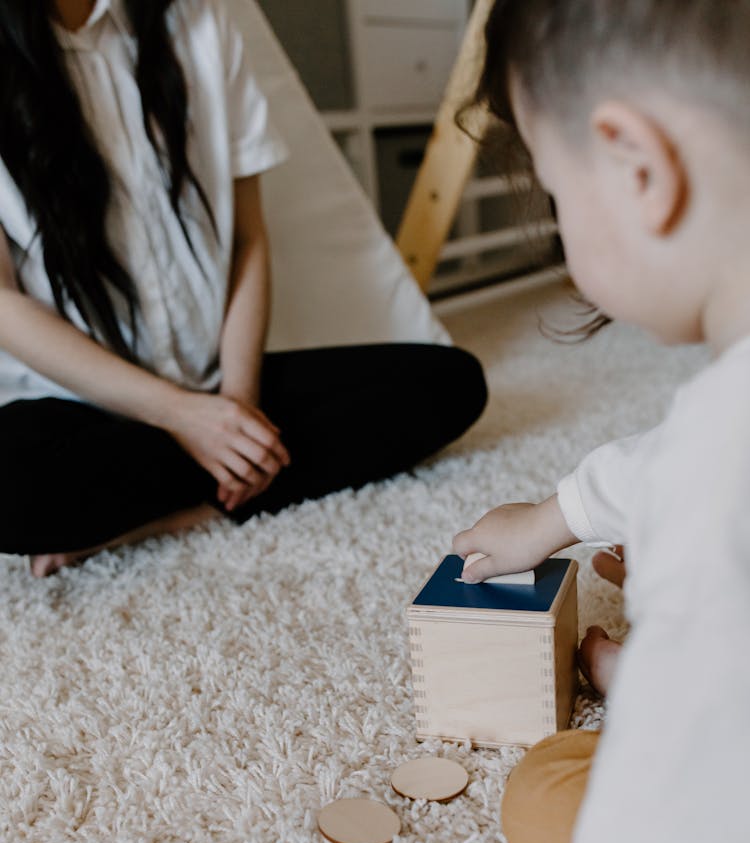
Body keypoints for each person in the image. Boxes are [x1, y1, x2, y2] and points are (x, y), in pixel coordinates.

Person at [410, 1, 750, 843]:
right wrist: (558, 511)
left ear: (637, 169)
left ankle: (656, 685)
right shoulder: (717, 443)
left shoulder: (718, 473)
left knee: (553, 795)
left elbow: (681, 815)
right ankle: (659, 674)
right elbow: (674, 464)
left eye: (556, 194)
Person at [0, 0, 486, 577]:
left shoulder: (198, 23)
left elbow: (249, 238)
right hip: (82, 405)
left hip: (217, 382)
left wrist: (237, 408)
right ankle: (203, 481)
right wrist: (181, 417)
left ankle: (173, 513)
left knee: (447, 383)